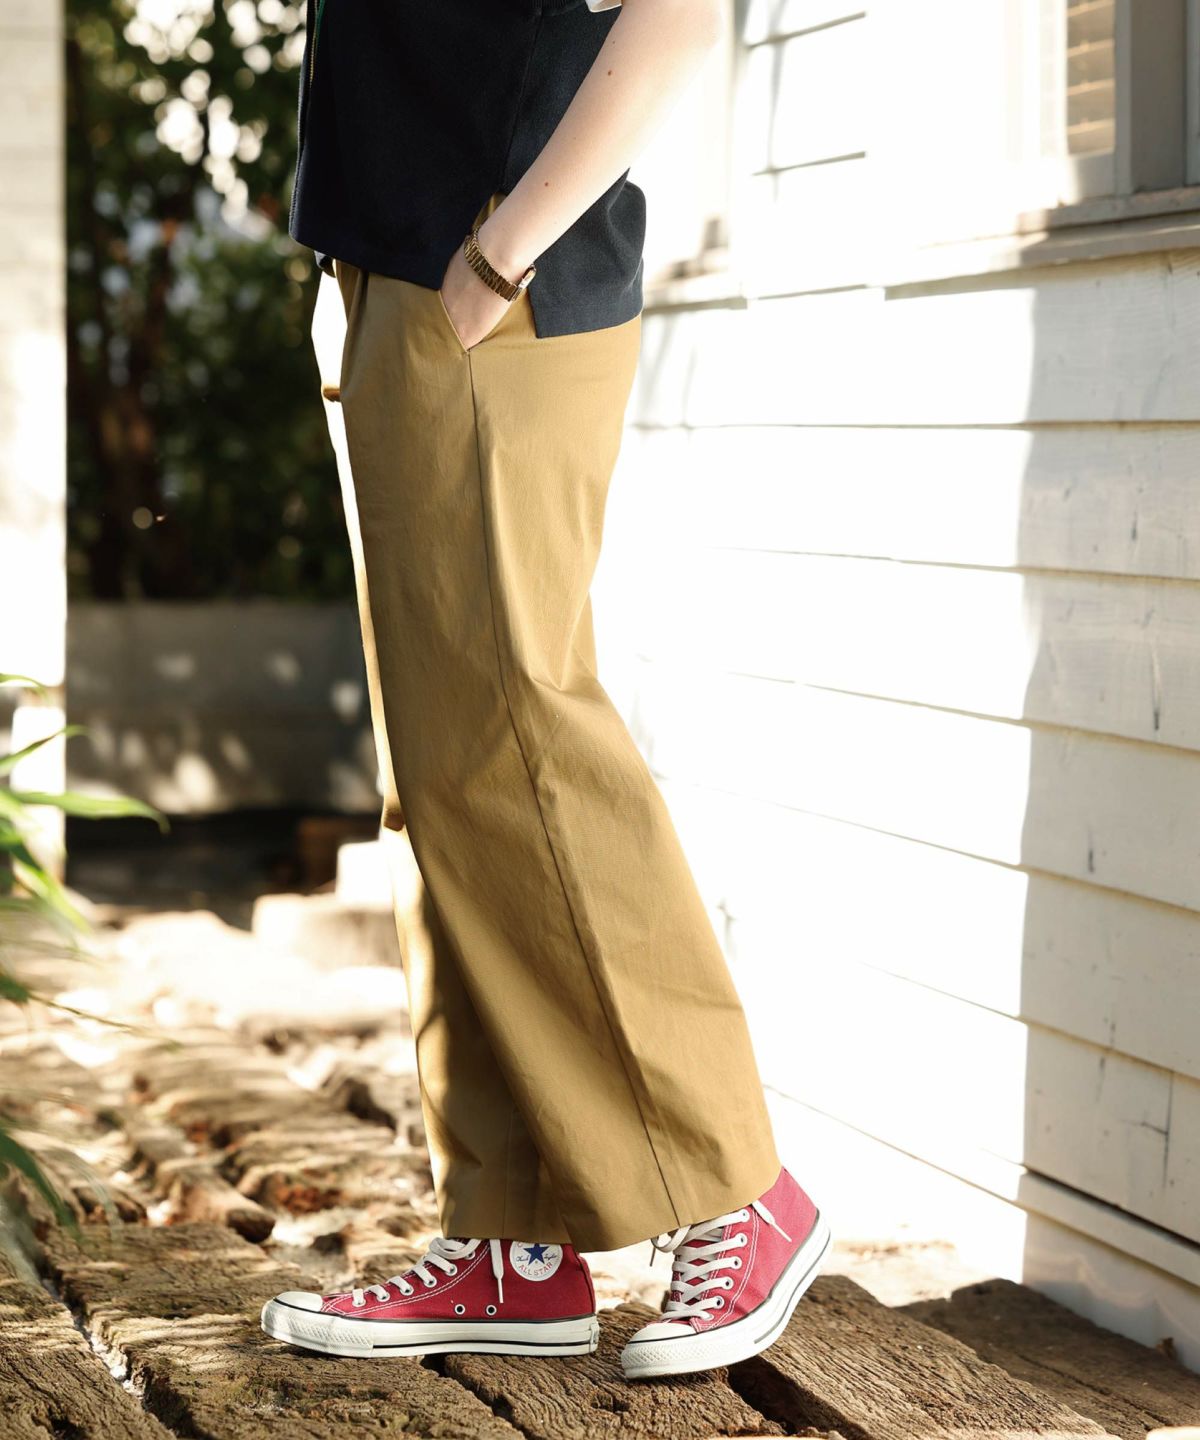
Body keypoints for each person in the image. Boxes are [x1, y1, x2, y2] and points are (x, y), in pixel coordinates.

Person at [260, 0, 831, 1379]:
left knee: (519, 748)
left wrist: (499, 255)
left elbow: (677, 18)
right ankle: (514, 1239)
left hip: (487, 288)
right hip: (397, 274)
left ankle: (736, 1186)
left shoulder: (490, 265)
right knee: (446, 779)